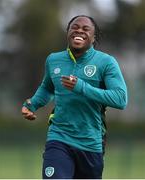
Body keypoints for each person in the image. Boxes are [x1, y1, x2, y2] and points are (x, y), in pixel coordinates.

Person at [22, 15, 128, 179]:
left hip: (91, 143)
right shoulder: (54, 60)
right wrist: (31, 105)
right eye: (75, 27)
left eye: (86, 29)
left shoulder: (106, 62)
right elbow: (47, 88)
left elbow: (120, 99)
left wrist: (82, 88)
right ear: (68, 32)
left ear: (94, 37)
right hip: (59, 137)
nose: (79, 30)